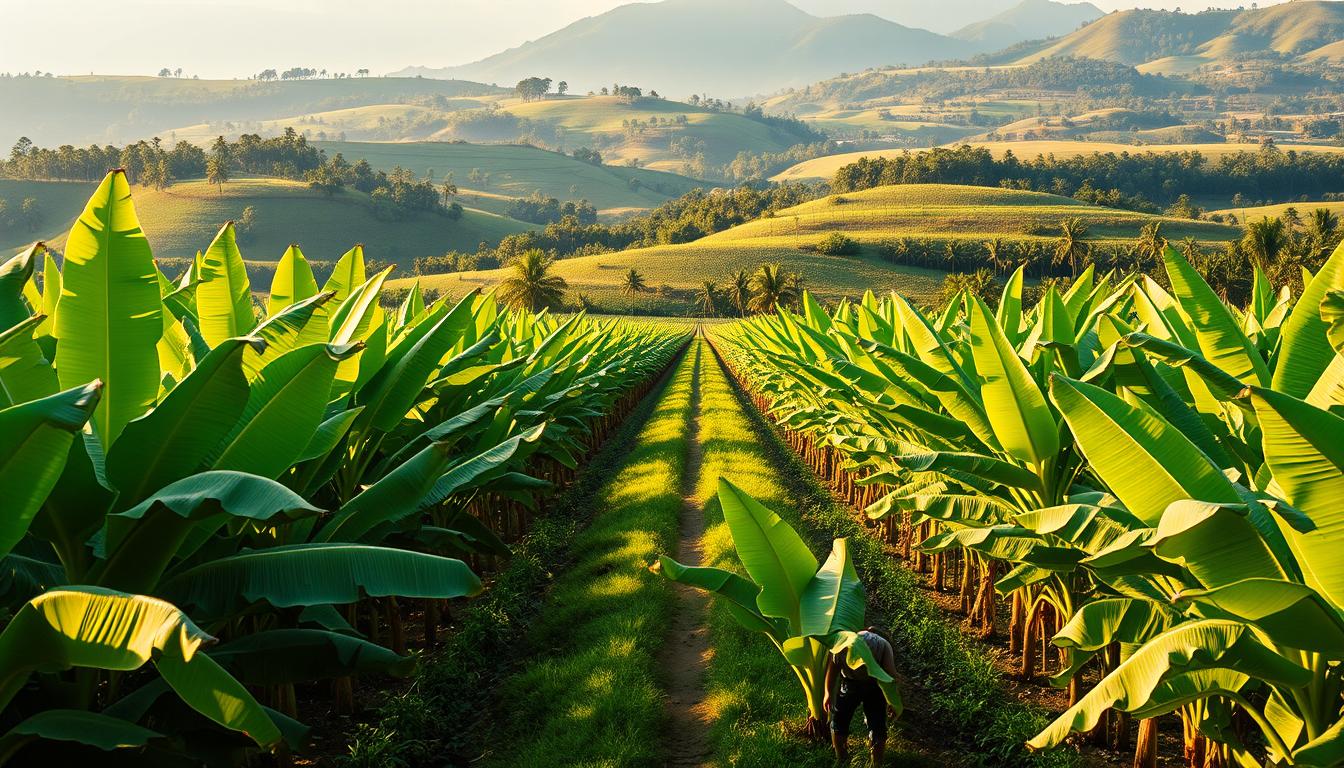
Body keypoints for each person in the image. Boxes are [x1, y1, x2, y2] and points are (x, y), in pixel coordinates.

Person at [824, 627, 898, 766]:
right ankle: (876, 762)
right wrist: (893, 701)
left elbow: (832, 670)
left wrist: (827, 693)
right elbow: (890, 673)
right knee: (877, 723)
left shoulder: (845, 641)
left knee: (839, 720)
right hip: (873, 684)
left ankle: (841, 758)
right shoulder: (883, 644)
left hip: (850, 683)